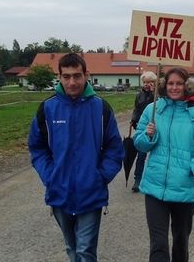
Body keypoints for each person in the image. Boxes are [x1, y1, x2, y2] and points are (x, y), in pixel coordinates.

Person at [28, 53, 125, 262]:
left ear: (86, 75)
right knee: (71, 248)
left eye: (77, 76)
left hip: (91, 192)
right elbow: (37, 148)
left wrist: (99, 177)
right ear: (60, 77)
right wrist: (50, 175)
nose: (72, 82)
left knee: (85, 250)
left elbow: (115, 148)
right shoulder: (47, 109)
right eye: (67, 76)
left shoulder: (100, 108)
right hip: (59, 191)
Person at [134, 67, 194, 262]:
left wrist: (192, 170)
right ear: (164, 85)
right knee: (158, 245)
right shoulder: (153, 110)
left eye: (179, 83)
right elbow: (139, 143)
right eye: (171, 83)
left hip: (185, 189)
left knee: (181, 242)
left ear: (187, 86)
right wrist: (148, 135)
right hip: (156, 189)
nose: (174, 87)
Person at [130, 70, 157, 192]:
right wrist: (133, 120)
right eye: (145, 82)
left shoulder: (156, 95)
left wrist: (154, 92)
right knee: (140, 154)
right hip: (142, 126)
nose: (147, 84)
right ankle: (138, 179)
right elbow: (136, 109)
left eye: (149, 82)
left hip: (154, 127)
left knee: (154, 155)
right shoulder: (139, 95)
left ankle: (154, 179)